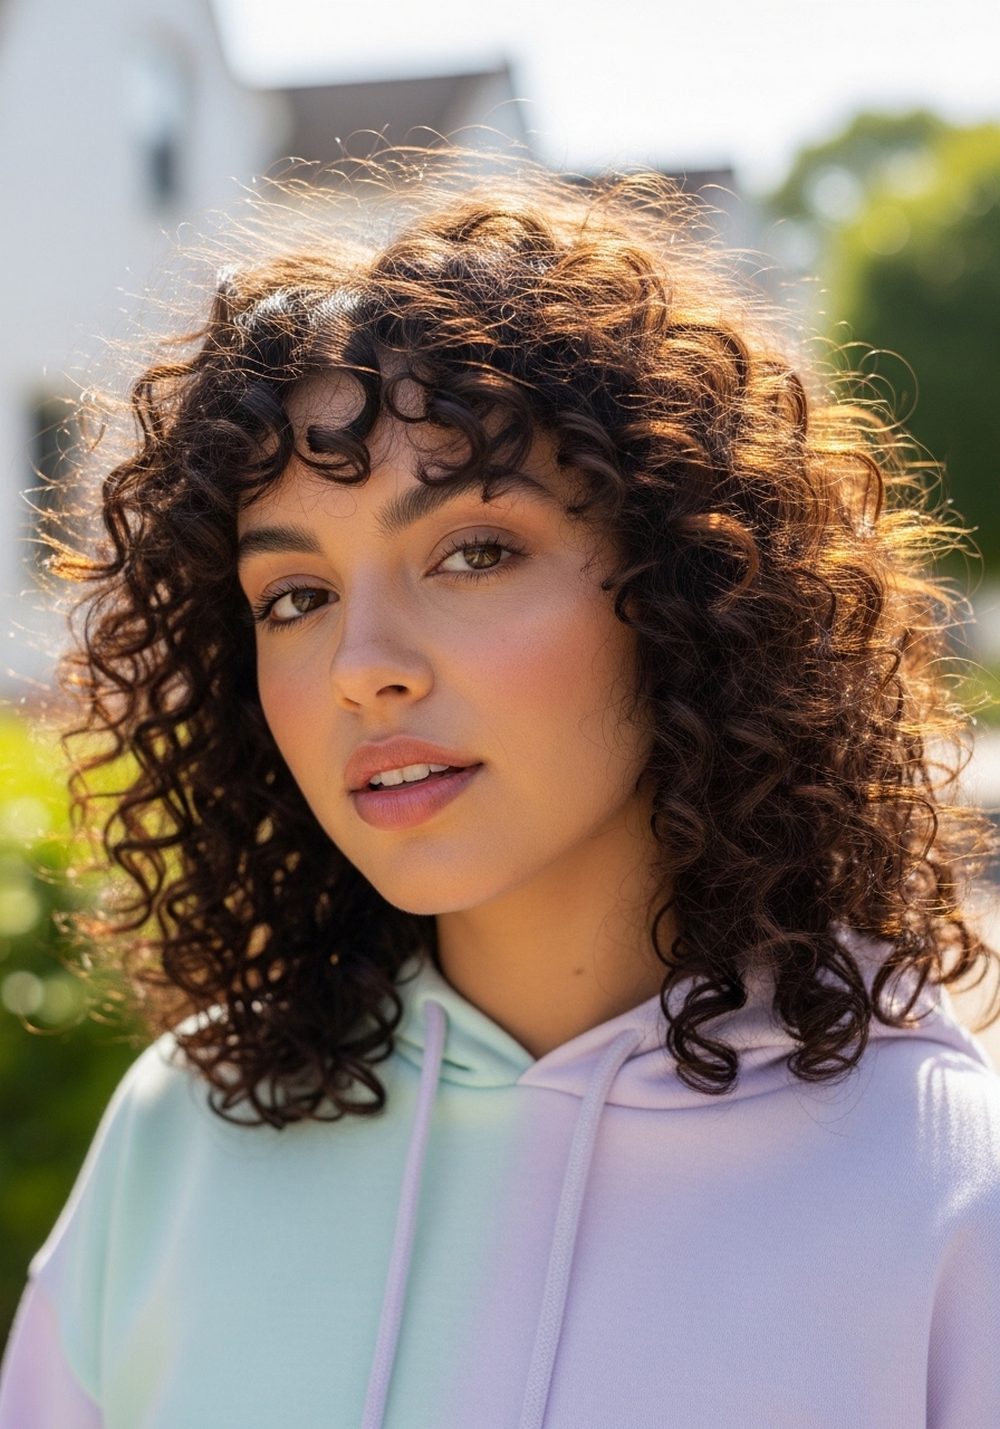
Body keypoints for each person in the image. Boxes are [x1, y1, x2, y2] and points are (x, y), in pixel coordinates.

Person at [2, 146, 1000, 1428]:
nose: (364, 668)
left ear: (685, 588)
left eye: (473, 552)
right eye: (294, 596)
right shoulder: (182, 1138)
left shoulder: (942, 1189)